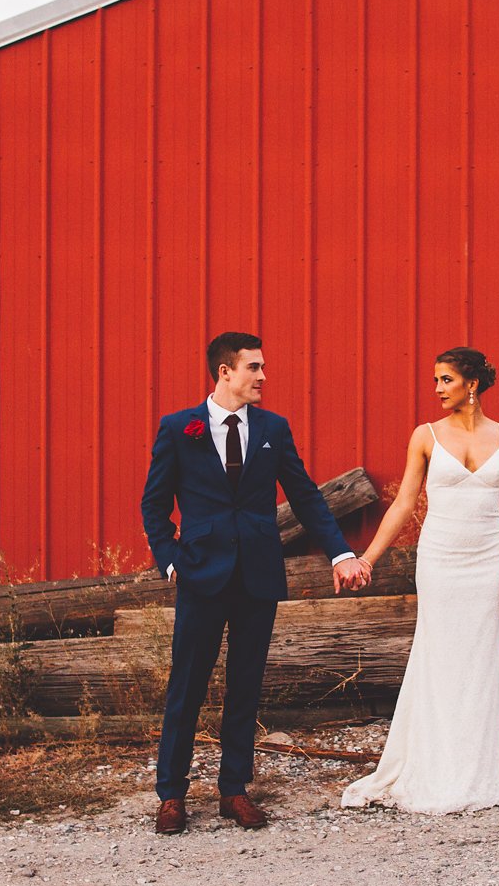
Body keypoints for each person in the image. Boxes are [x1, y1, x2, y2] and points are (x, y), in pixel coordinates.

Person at [139, 332, 371, 834]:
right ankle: (172, 795)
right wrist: (173, 563)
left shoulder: (272, 428)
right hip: (201, 576)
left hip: (258, 576)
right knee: (187, 686)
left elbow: (306, 497)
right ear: (226, 372)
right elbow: (154, 507)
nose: (264, 377)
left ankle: (234, 790)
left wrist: (341, 552)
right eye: (255, 368)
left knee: (245, 685)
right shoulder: (180, 428)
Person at [341, 347, 499, 814]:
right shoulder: (425, 436)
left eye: (446, 380)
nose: (438, 388)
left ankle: (475, 768)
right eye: (437, 380)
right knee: (440, 655)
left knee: (479, 660)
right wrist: (368, 558)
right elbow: (404, 503)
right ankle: (433, 765)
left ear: (472, 385)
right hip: (441, 558)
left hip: (487, 560)